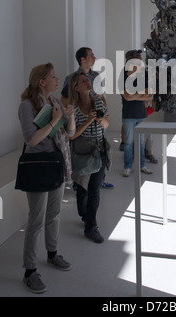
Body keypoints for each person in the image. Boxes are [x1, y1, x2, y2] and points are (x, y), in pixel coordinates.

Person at [18, 63, 75, 294]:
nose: (57, 79)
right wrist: (54, 120)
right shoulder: (26, 106)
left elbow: (68, 134)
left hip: (56, 163)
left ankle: (52, 254)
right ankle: (29, 271)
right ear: (41, 81)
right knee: (36, 220)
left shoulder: (54, 103)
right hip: (39, 166)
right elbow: (32, 140)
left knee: (54, 215)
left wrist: (68, 117)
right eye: (53, 76)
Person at [61, 47, 113, 189]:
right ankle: (80, 184)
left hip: (97, 123)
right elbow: (65, 101)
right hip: (80, 125)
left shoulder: (96, 76)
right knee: (82, 154)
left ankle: (99, 180)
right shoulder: (70, 79)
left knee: (100, 151)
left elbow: (101, 97)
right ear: (83, 59)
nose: (94, 58)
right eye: (92, 55)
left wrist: (105, 115)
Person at [68, 72, 109, 242]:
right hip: (82, 152)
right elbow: (72, 136)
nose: (88, 82)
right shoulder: (73, 109)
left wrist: (101, 121)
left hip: (98, 151)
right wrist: (87, 121)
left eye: (88, 80)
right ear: (76, 88)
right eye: (83, 81)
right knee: (82, 189)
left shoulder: (98, 101)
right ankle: (85, 215)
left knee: (94, 189)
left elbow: (106, 124)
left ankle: (91, 226)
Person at [121, 50, 153, 177]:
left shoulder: (143, 75)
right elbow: (127, 97)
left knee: (140, 142)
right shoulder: (122, 76)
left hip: (141, 114)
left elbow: (149, 96)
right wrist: (140, 94)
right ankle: (127, 166)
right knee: (128, 142)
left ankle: (142, 165)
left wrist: (133, 94)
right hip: (128, 115)